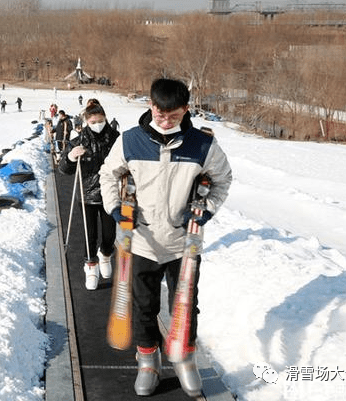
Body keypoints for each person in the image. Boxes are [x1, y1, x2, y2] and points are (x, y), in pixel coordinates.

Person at [99, 78, 232, 397]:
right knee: (144, 305)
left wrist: (207, 209)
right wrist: (115, 208)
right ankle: (148, 360)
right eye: (160, 113)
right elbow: (108, 174)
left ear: (185, 110)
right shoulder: (130, 141)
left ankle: (185, 359)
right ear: (151, 105)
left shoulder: (202, 145)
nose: (165, 120)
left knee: (185, 306)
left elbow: (222, 180)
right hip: (141, 241)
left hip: (182, 244)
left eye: (173, 115)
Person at [58, 103, 119, 290]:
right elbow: (63, 169)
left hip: (110, 194)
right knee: (89, 234)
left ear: (106, 118)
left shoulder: (116, 139)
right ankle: (90, 266)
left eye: (100, 120)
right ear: (86, 121)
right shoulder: (79, 141)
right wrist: (70, 157)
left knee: (110, 234)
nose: (97, 124)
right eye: (93, 121)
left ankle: (106, 254)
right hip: (87, 195)